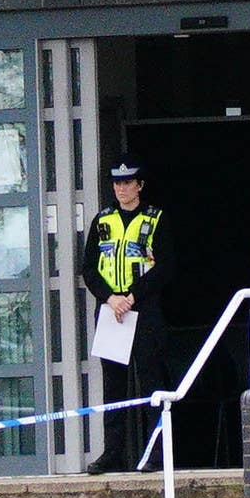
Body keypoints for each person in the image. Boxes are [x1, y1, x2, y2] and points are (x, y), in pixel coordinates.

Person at [83, 159, 168, 474]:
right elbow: (88, 268)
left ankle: (155, 453)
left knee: (151, 383)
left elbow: (166, 266)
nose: (121, 188)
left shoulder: (156, 219)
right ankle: (113, 453)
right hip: (111, 313)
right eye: (117, 183)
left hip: (143, 312)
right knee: (113, 386)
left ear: (139, 186)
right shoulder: (102, 220)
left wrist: (133, 296)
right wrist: (110, 298)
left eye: (128, 182)